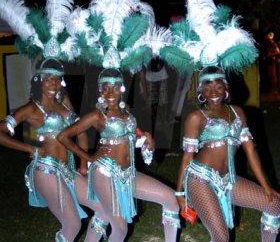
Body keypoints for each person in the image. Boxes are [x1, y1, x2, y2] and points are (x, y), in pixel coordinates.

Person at [58, 68, 180, 242]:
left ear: (122, 88)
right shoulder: (97, 115)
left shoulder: (127, 112)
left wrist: (146, 139)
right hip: (105, 173)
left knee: (170, 199)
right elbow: (63, 136)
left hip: (128, 173)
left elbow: (130, 138)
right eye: (105, 87)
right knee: (120, 228)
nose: (110, 92)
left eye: (115, 87)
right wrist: (88, 157)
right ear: (100, 90)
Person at [0, 58, 110, 242]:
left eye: (57, 78)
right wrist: (30, 148)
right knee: (72, 224)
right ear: (39, 80)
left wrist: (83, 164)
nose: (54, 83)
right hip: (46, 170)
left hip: (67, 169)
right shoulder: (31, 108)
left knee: (103, 209)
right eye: (48, 78)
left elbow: (80, 130)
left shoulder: (64, 103)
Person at [175, 65, 280, 241]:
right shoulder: (196, 117)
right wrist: (179, 193)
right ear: (201, 91)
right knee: (221, 237)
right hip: (200, 179)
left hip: (228, 179)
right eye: (207, 88)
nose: (213, 92)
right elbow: (187, 157)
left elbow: (250, 151)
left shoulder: (237, 112)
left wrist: (266, 186)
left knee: (274, 205)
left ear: (225, 88)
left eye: (217, 86)